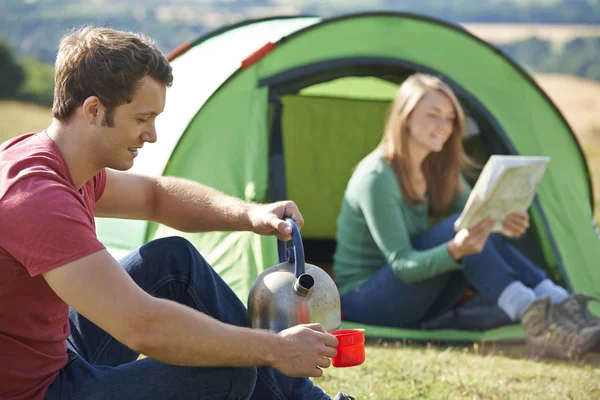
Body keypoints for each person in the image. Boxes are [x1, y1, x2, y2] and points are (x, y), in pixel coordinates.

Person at [0, 26, 355, 400]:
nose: (151, 134)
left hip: (56, 356)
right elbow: (141, 325)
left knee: (173, 260)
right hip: (33, 392)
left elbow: (156, 197)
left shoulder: (58, 162)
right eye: (141, 118)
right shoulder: (36, 195)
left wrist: (249, 214)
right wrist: (275, 348)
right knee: (229, 375)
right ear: (93, 110)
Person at [332, 72, 600, 360]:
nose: (443, 126)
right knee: (457, 230)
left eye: (449, 118)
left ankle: (564, 307)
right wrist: (455, 249)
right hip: (365, 302)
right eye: (433, 115)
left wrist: (501, 222)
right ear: (405, 117)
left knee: (472, 226)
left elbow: (479, 214)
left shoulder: (436, 166)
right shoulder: (377, 177)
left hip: (412, 297)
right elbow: (403, 265)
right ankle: (539, 323)